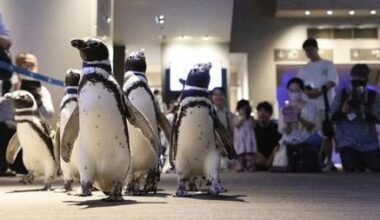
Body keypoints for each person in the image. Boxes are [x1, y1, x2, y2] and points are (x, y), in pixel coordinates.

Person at [298, 38, 339, 170]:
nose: (309, 53)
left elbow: (332, 81)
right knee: (309, 133)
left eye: (310, 50)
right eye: (306, 51)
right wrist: (308, 92)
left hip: (325, 105)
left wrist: (320, 91)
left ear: (316, 49)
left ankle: (329, 161)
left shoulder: (328, 65)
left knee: (326, 134)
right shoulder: (304, 68)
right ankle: (313, 160)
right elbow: (300, 85)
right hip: (309, 107)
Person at [331, 64, 380, 172]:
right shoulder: (343, 94)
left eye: (361, 77)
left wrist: (365, 111)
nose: (358, 80)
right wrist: (342, 111)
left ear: (367, 78)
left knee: (377, 167)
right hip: (347, 141)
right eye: (355, 78)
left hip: (368, 142)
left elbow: (378, 118)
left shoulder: (373, 96)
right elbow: (332, 117)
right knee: (352, 168)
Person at [277, 77, 321, 172]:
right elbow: (283, 130)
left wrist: (299, 117)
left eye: (297, 90)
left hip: (305, 141)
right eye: (291, 91)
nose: (294, 93)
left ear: (302, 91)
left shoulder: (311, 107)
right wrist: (288, 121)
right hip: (289, 142)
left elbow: (311, 127)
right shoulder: (284, 109)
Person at [14, 52, 54, 121]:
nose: (28, 69)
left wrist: (38, 102)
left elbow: (49, 115)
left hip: (34, 129)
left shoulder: (42, 90)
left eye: (32, 65)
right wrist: (16, 92)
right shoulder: (6, 86)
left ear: (36, 68)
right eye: (24, 65)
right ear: (16, 67)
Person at [210, 87, 235, 171]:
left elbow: (231, 131)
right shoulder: (208, 112)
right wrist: (219, 147)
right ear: (212, 97)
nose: (218, 97)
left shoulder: (228, 113)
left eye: (221, 95)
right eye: (215, 95)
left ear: (224, 97)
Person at [254, 101, 281, 171]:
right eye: (260, 111)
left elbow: (277, 146)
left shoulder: (276, 128)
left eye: (265, 112)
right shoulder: (253, 129)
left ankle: (268, 165)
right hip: (259, 156)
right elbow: (252, 146)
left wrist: (269, 161)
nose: (262, 114)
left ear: (270, 114)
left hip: (272, 155)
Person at [233, 99, 257, 172]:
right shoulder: (237, 117)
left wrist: (250, 118)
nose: (243, 110)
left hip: (249, 138)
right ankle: (241, 165)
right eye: (241, 108)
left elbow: (254, 125)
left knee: (249, 153)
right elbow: (237, 125)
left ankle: (250, 165)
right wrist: (243, 117)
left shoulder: (250, 118)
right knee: (240, 153)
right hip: (240, 139)